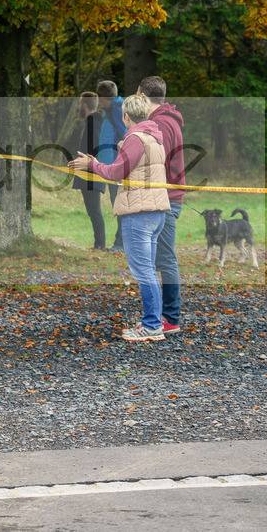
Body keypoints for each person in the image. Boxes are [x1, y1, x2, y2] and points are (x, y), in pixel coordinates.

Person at [70, 94, 170, 341]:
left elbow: (116, 172)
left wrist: (92, 166)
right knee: (148, 270)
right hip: (155, 211)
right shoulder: (155, 137)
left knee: (143, 271)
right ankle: (153, 322)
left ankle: (151, 326)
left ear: (126, 116)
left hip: (139, 212)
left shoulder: (135, 138)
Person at [138, 75, 185, 335]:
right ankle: (161, 316)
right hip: (165, 196)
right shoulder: (164, 120)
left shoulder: (160, 123)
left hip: (166, 198)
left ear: (143, 96)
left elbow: (157, 162)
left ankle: (170, 318)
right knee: (158, 258)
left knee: (165, 259)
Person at [71, 92, 106, 250]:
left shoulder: (93, 121)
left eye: (80, 104)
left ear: (84, 105)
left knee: (94, 210)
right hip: (89, 171)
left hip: (91, 173)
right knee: (93, 210)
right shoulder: (94, 120)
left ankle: (99, 244)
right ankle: (98, 243)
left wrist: (86, 162)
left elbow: (94, 147)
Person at [97, 80, 127, 252]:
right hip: (111, 166)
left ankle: (121, 244)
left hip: (117, 167)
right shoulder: (113, 109)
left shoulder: (117, 110)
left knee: (120, 204)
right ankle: (121, 242)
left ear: (101, 96)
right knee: (118, 204)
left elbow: (126, 135)